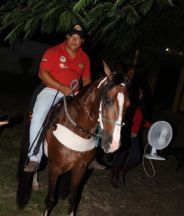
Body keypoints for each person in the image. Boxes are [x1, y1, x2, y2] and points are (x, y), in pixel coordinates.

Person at [24, 24, 105, 173]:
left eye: (79, 38)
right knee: (38, 117)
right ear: (67, 37)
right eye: (73, 37)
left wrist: (90, 97)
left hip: (75, 94)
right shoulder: (53, 51)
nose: (75, 40)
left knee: (95, 118)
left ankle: (92, 156)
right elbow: (43, 74)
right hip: (51, 90)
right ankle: (34, 157)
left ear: (82, 42)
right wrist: (61, 87)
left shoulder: (84, 58)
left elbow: (86, 79)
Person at [111, 83, 152, 189]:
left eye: (142, 93)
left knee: (136, 157)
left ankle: (122, 172)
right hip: (125, 135)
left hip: (135, 136)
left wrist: (153, 126)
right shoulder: (128, 105)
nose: (141, 95)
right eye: (139, 93)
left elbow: (142, 122)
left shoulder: (142, 106)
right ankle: (114, 177)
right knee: (120, 157)